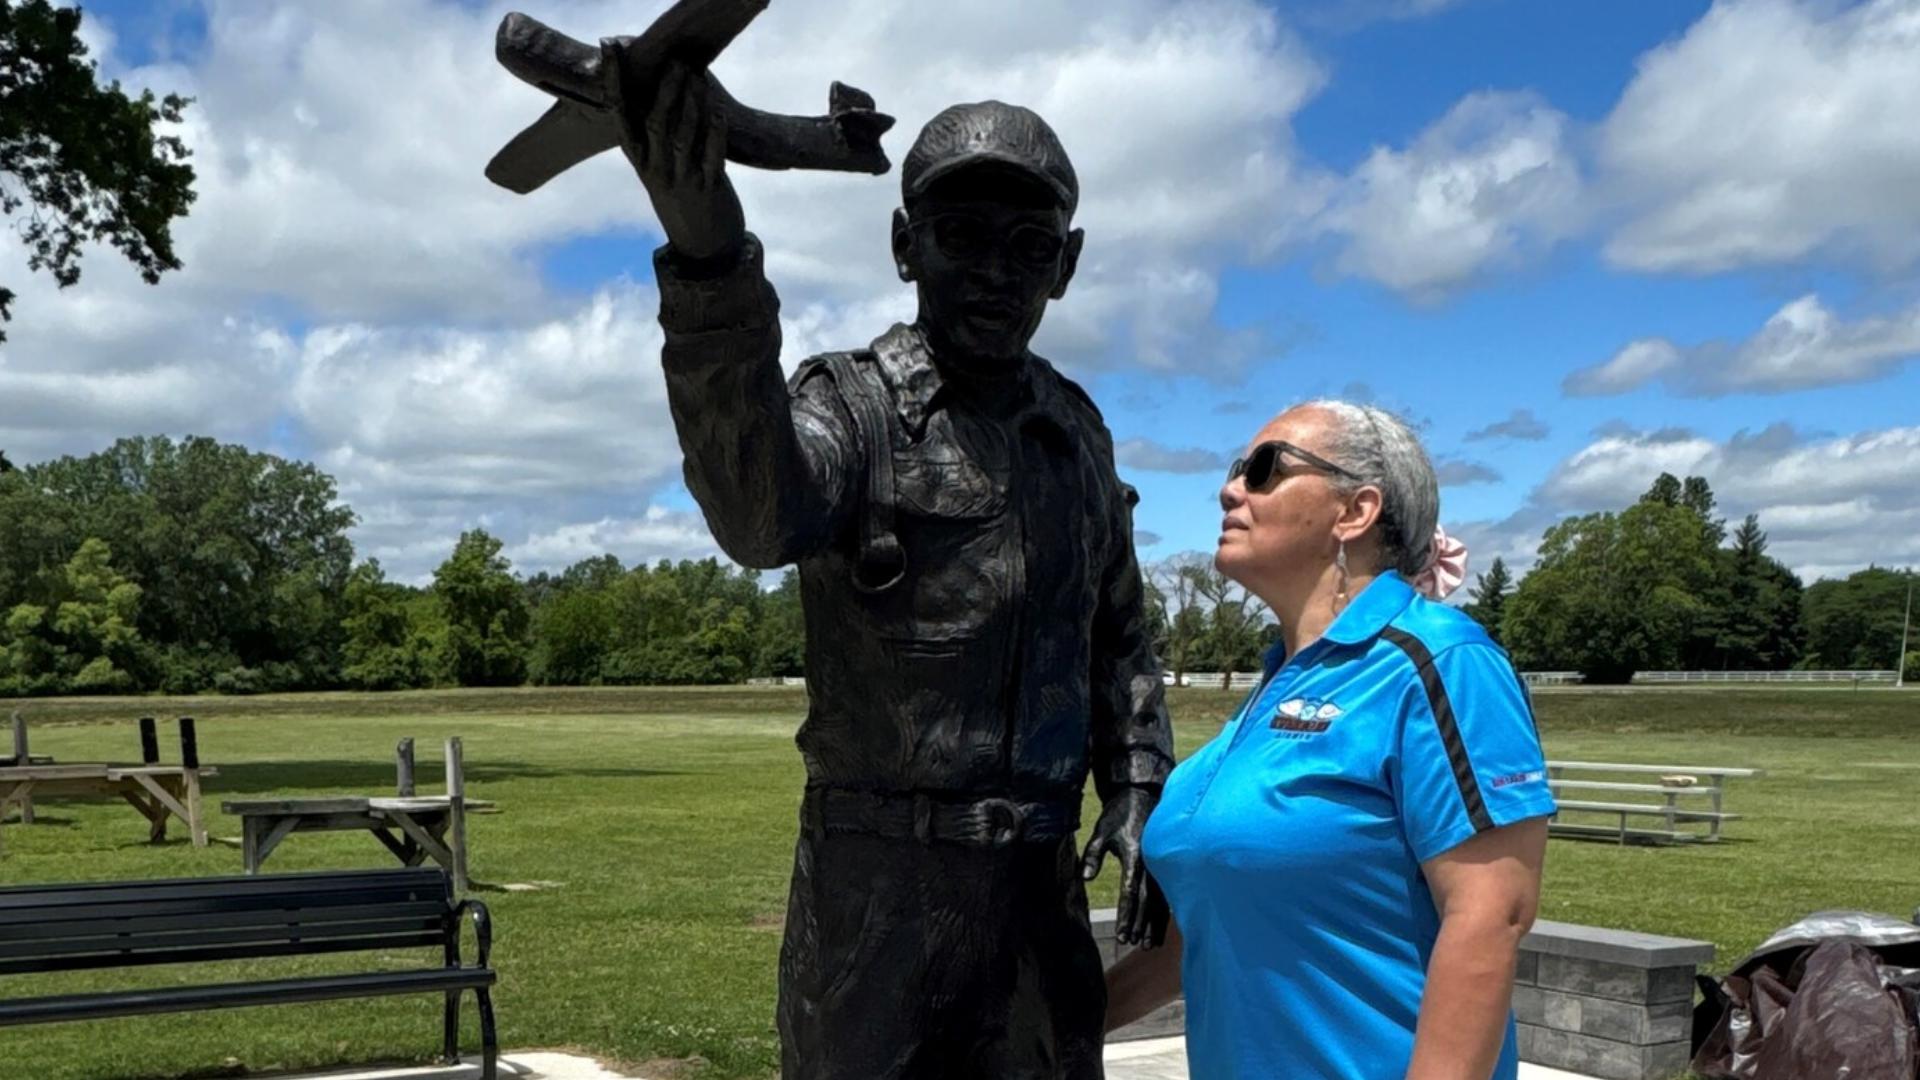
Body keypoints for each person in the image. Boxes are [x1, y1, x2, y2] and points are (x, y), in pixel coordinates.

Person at [616, 58, 1174, 1080]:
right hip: (878, 904)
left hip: (1035, 900)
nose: (998, 275)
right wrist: (710, 262)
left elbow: (1119, 641)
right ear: (905, 247)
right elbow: (755, 516)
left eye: (1030, 248)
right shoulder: (853, 409)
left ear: (1069, 263)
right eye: (963, 241)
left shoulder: (1077, 438)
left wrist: (1138, 792)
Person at [1106, 400, 1555, 1080]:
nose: (1231, 489)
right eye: (1234, 470)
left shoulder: (1439, 662)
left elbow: (1490, 916)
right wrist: (1053, 1021)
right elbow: (1208, 938)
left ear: (1356, 512)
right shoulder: (1275, 686)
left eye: (1264, 470)